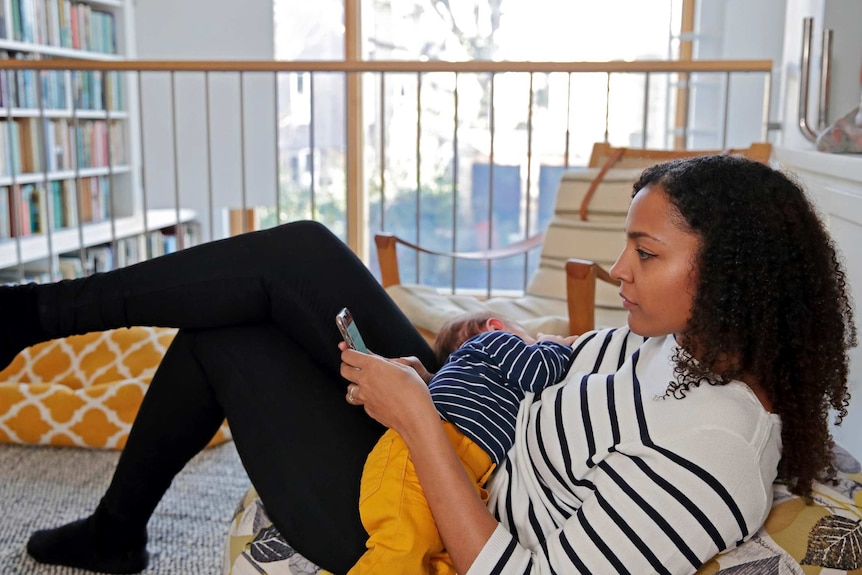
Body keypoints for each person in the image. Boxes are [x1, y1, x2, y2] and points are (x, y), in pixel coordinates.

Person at [0, 154, 852, 575]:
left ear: (732, 275)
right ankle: (32, 315)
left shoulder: (709, 455)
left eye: (645, 252)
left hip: (434, 518)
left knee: (229, 335)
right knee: (299, 252)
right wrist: (462, 346)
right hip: (473, 428)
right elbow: (566, 364)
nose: (617, 272)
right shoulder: (684, 348)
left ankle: (114, 524)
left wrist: (414, 413)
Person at [352, 311, 576, 574]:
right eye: (528, 337)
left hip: (460, 470)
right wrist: (552, 344)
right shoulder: (497, 340)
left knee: (439, 561)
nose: (532, 342)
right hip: (413, 460)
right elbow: (538, 371)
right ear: (494, 326)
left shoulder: (473, 381)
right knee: (400, 547)